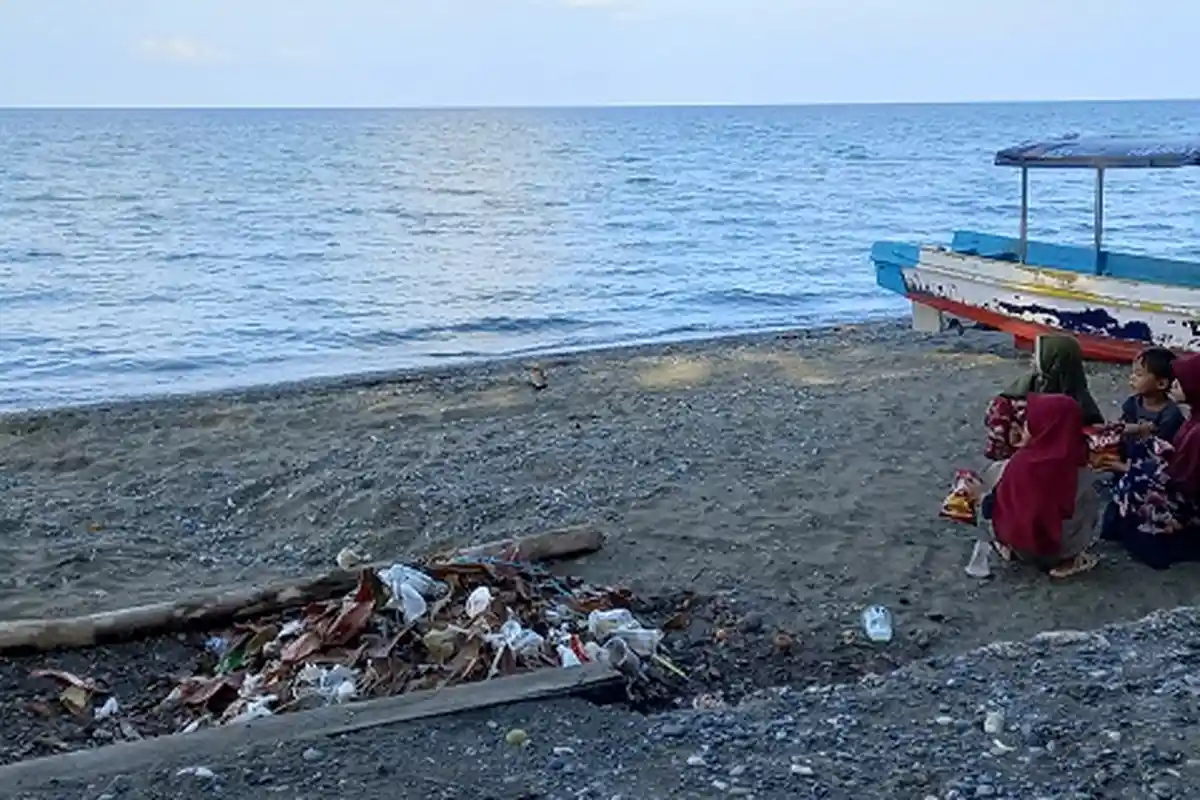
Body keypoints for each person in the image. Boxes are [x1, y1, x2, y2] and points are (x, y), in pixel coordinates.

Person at [970, 393, 1100, 578]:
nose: (1025, 427)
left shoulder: (1019, 462)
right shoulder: (1077, 463)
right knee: (1089, 497)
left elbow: (992, 506)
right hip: (1055, 551)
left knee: (1003, 479)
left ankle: (1008, 547)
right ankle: (1067, 562)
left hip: (1018, 545)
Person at [1104, 354, 1200, 569]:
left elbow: (1181, 480)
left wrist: (1127, 468)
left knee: (1134, 488)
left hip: (1188, 500)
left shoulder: (1194, 429)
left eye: (1181, 381)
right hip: (1178, 484)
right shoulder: (1195, 418)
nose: (1174, 384)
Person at [984, 334, 1105, 461]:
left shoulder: (1076, 392)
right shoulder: (1010, 402)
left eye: (1036, 356)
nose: (1032, 360)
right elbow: (998, 447)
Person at [1120, 347, 1185, 444]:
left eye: (1139, 374)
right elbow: (1121, 429)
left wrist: (1141, 429)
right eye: (1133, 373)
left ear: (1161, 384)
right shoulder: (1131, 403)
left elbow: (1163, 446)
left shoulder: (1171, 415)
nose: (1132, 377)